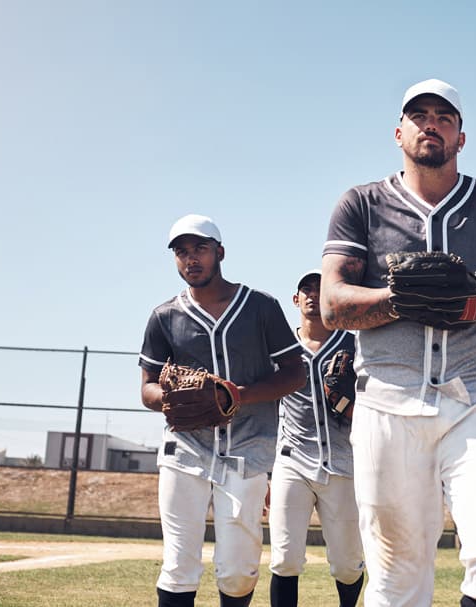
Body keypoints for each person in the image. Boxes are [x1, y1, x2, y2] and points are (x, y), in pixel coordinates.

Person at [319, 78, 476, 607]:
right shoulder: (361, 203)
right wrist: (400, 300)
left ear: (461, 137)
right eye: (419, 115)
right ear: (398, 131)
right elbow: (332, 305)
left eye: (444, 117)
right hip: (386, 401)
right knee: (396, 579)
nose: (431, 124)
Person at [139, 214, 305, 607]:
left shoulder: (260, 307)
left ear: (220, 252)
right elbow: (146, 388)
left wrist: (238, 396)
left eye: (200, 249)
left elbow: (295, 374)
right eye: (181, 252)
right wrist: (172, 397)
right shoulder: (165, 316)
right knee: (179, 565)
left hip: (248, 447)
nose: (191, 259)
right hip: (186, 449)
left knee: (236, 570)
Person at [268, 269, 365, 606]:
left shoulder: (355, 344)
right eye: (304, 289)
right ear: (295, 300)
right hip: (291, 461)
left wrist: (351, 405)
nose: (311, 295)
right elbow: (266, 412)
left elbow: (377, 405)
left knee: (347, 565)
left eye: (319, 289)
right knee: (284, 559)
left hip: (343, 462)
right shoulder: (280, 351)